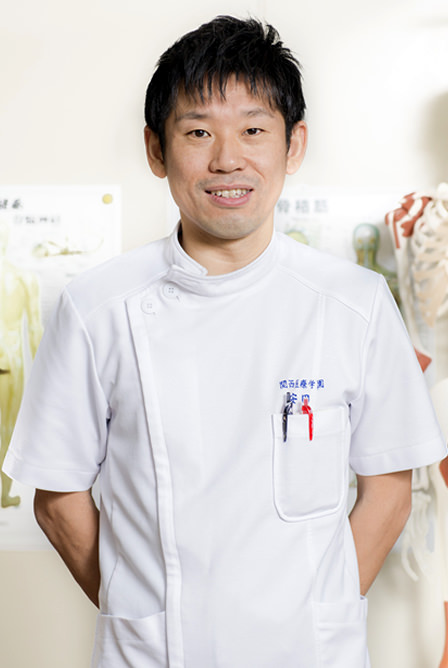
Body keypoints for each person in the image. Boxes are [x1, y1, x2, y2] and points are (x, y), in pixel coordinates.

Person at [3, 16, 446, 668]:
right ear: (156, 149)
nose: (227, 159)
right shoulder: (98, 307)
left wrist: (323, 610)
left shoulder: (355, 304)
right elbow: (58, 496)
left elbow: (389, 488)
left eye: (253, 130)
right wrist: (139, 612)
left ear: (294, 145)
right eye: (198, 132)